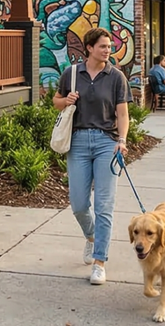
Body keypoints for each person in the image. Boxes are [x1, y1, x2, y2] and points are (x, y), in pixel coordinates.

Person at [54, 27, 130, 286]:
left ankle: (99, 262)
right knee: (78, 204)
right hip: (78, 142)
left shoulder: (116, 77)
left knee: (104, 206)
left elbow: (122, 114)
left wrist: (122, 140)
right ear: (89, 48)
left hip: (106, 143)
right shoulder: (72, 74)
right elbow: (56, 100)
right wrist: (67, 100)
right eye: (103, 46)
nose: (108, 50)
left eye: (109, 46)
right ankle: (91, 237)